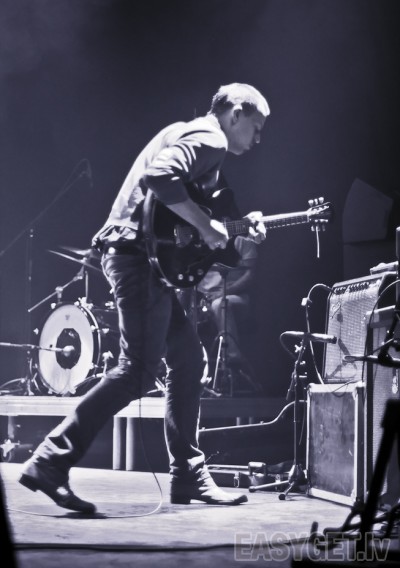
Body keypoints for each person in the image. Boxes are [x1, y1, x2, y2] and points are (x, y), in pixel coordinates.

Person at [18, 83, 270, 511]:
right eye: (256, 127)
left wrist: (238, 224)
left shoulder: (185, 131)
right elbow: (160, 177)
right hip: (136, 260)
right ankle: (50, 460)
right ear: (235, 114)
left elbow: (178, 210)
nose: (258, 138)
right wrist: (207, 226)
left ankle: (188, 474)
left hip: (141, 261)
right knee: (137, 371)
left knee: (188, 359)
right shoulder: (210, 138)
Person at [197, 235, 262, 394]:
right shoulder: (197, 235)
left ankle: (234, 360)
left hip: (235, 296)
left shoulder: (243, 237)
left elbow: (250, 275)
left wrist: (224, 292)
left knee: (220, 304)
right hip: (203, 298)